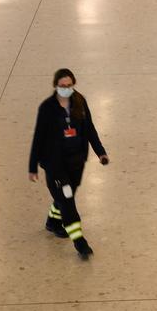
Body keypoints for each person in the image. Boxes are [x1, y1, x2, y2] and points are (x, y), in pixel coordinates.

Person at [29, 69, 109, 259]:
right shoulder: (47, 108)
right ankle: (80, 242)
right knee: (68, 202)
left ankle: (53, 222)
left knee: (65, 196)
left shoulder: (79, 102)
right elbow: (38, 138)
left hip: (76, 162)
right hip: (55, 165)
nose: (66, 89)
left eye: (69, 86)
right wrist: (32, 166)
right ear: (56, 86)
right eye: (62, 86)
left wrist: (101, 152)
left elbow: (89, 128)